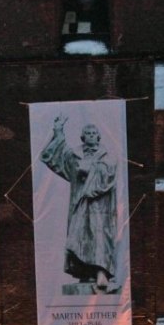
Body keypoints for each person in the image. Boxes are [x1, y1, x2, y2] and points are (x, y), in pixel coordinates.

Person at [40, 114, 120, 293]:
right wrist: (58, 130)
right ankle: (84, 271)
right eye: (88, 133)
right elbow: (57, 155)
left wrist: (91, 169)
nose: (91, 135)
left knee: (99, 237)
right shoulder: (74, 155)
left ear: (98, 137)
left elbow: (109, 174)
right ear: (83, 137)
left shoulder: (107, 156)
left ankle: (102, 271)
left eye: (94, 133)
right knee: (79, 236)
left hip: (100, 206)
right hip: (79, 203)